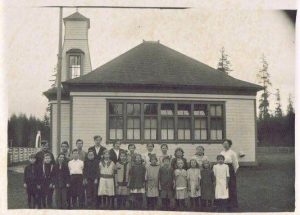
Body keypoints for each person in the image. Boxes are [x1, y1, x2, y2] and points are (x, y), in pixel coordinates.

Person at [220, 139, 239, 209]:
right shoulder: (221, 152)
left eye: (226, 143)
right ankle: (224, 202)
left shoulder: (232, 153)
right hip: (222, 170)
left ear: (230, 145)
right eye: (224, 143)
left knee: (231, 187)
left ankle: (232, 204)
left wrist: (233, 172)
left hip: (230, 170)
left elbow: (236, 164)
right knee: (224, 186)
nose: (225, 145)